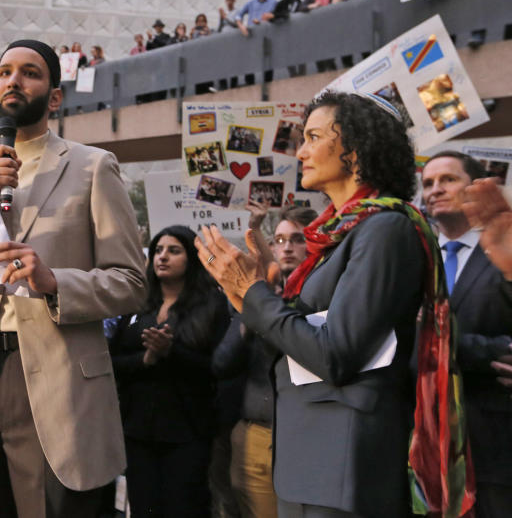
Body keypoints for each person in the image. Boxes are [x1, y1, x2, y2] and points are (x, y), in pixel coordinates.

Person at [195, 91, 474, 517]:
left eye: (312, 137)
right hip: (308, 464)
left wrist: (253, 293)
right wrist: (246, 293)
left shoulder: (386, 230)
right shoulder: (335, 236)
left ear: (355, 149)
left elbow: (335, 354)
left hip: (347, 466)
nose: (301, 151)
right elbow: (291, 342)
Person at [0, 38, 146, 517]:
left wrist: (55, 281)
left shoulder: (92, 166)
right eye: (4, 72)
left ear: (54, 96)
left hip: (56, 380)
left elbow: (130, 281)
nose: (13, 81)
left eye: (30, 72)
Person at [109, 225, 229, 517]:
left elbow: (218, 368)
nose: (162, 257)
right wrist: (146, 359)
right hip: (137, 431)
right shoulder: (136, 302)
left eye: (174, 251)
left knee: (184, 507)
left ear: (191, 258)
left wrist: (170, 353)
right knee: (144, 508)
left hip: (188, 431)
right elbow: (111, 363)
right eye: (158, 250)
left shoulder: (211, 304)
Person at [421, 151, 512, 518]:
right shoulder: (416, 258)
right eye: (427, 183)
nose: (435, 189)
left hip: (495, 451)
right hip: (425, 454)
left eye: (448, 179)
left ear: (474, 188)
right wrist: (492, 352)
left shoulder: (505, 251)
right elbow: (411, 345)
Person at [212, 204, 316, 518]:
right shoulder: (257, 296)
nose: (286, 248)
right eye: (280, 240)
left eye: (297, 239)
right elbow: (223, 361)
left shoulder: (326, 294)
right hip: (258, 436)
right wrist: (253, 307)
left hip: (310, 435)